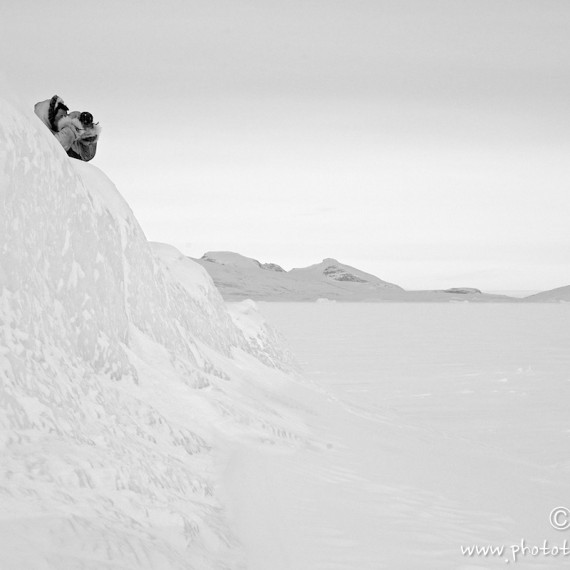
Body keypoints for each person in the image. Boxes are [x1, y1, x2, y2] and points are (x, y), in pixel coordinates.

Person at [34, 95, 101, 162]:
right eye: (61, 116)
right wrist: (74, 129)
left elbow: (87, 155)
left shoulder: (67, 126)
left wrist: (88, 132)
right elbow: (51, 147)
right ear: (49, 118)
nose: (64, 118)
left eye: (66, 114)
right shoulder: (43, 133)